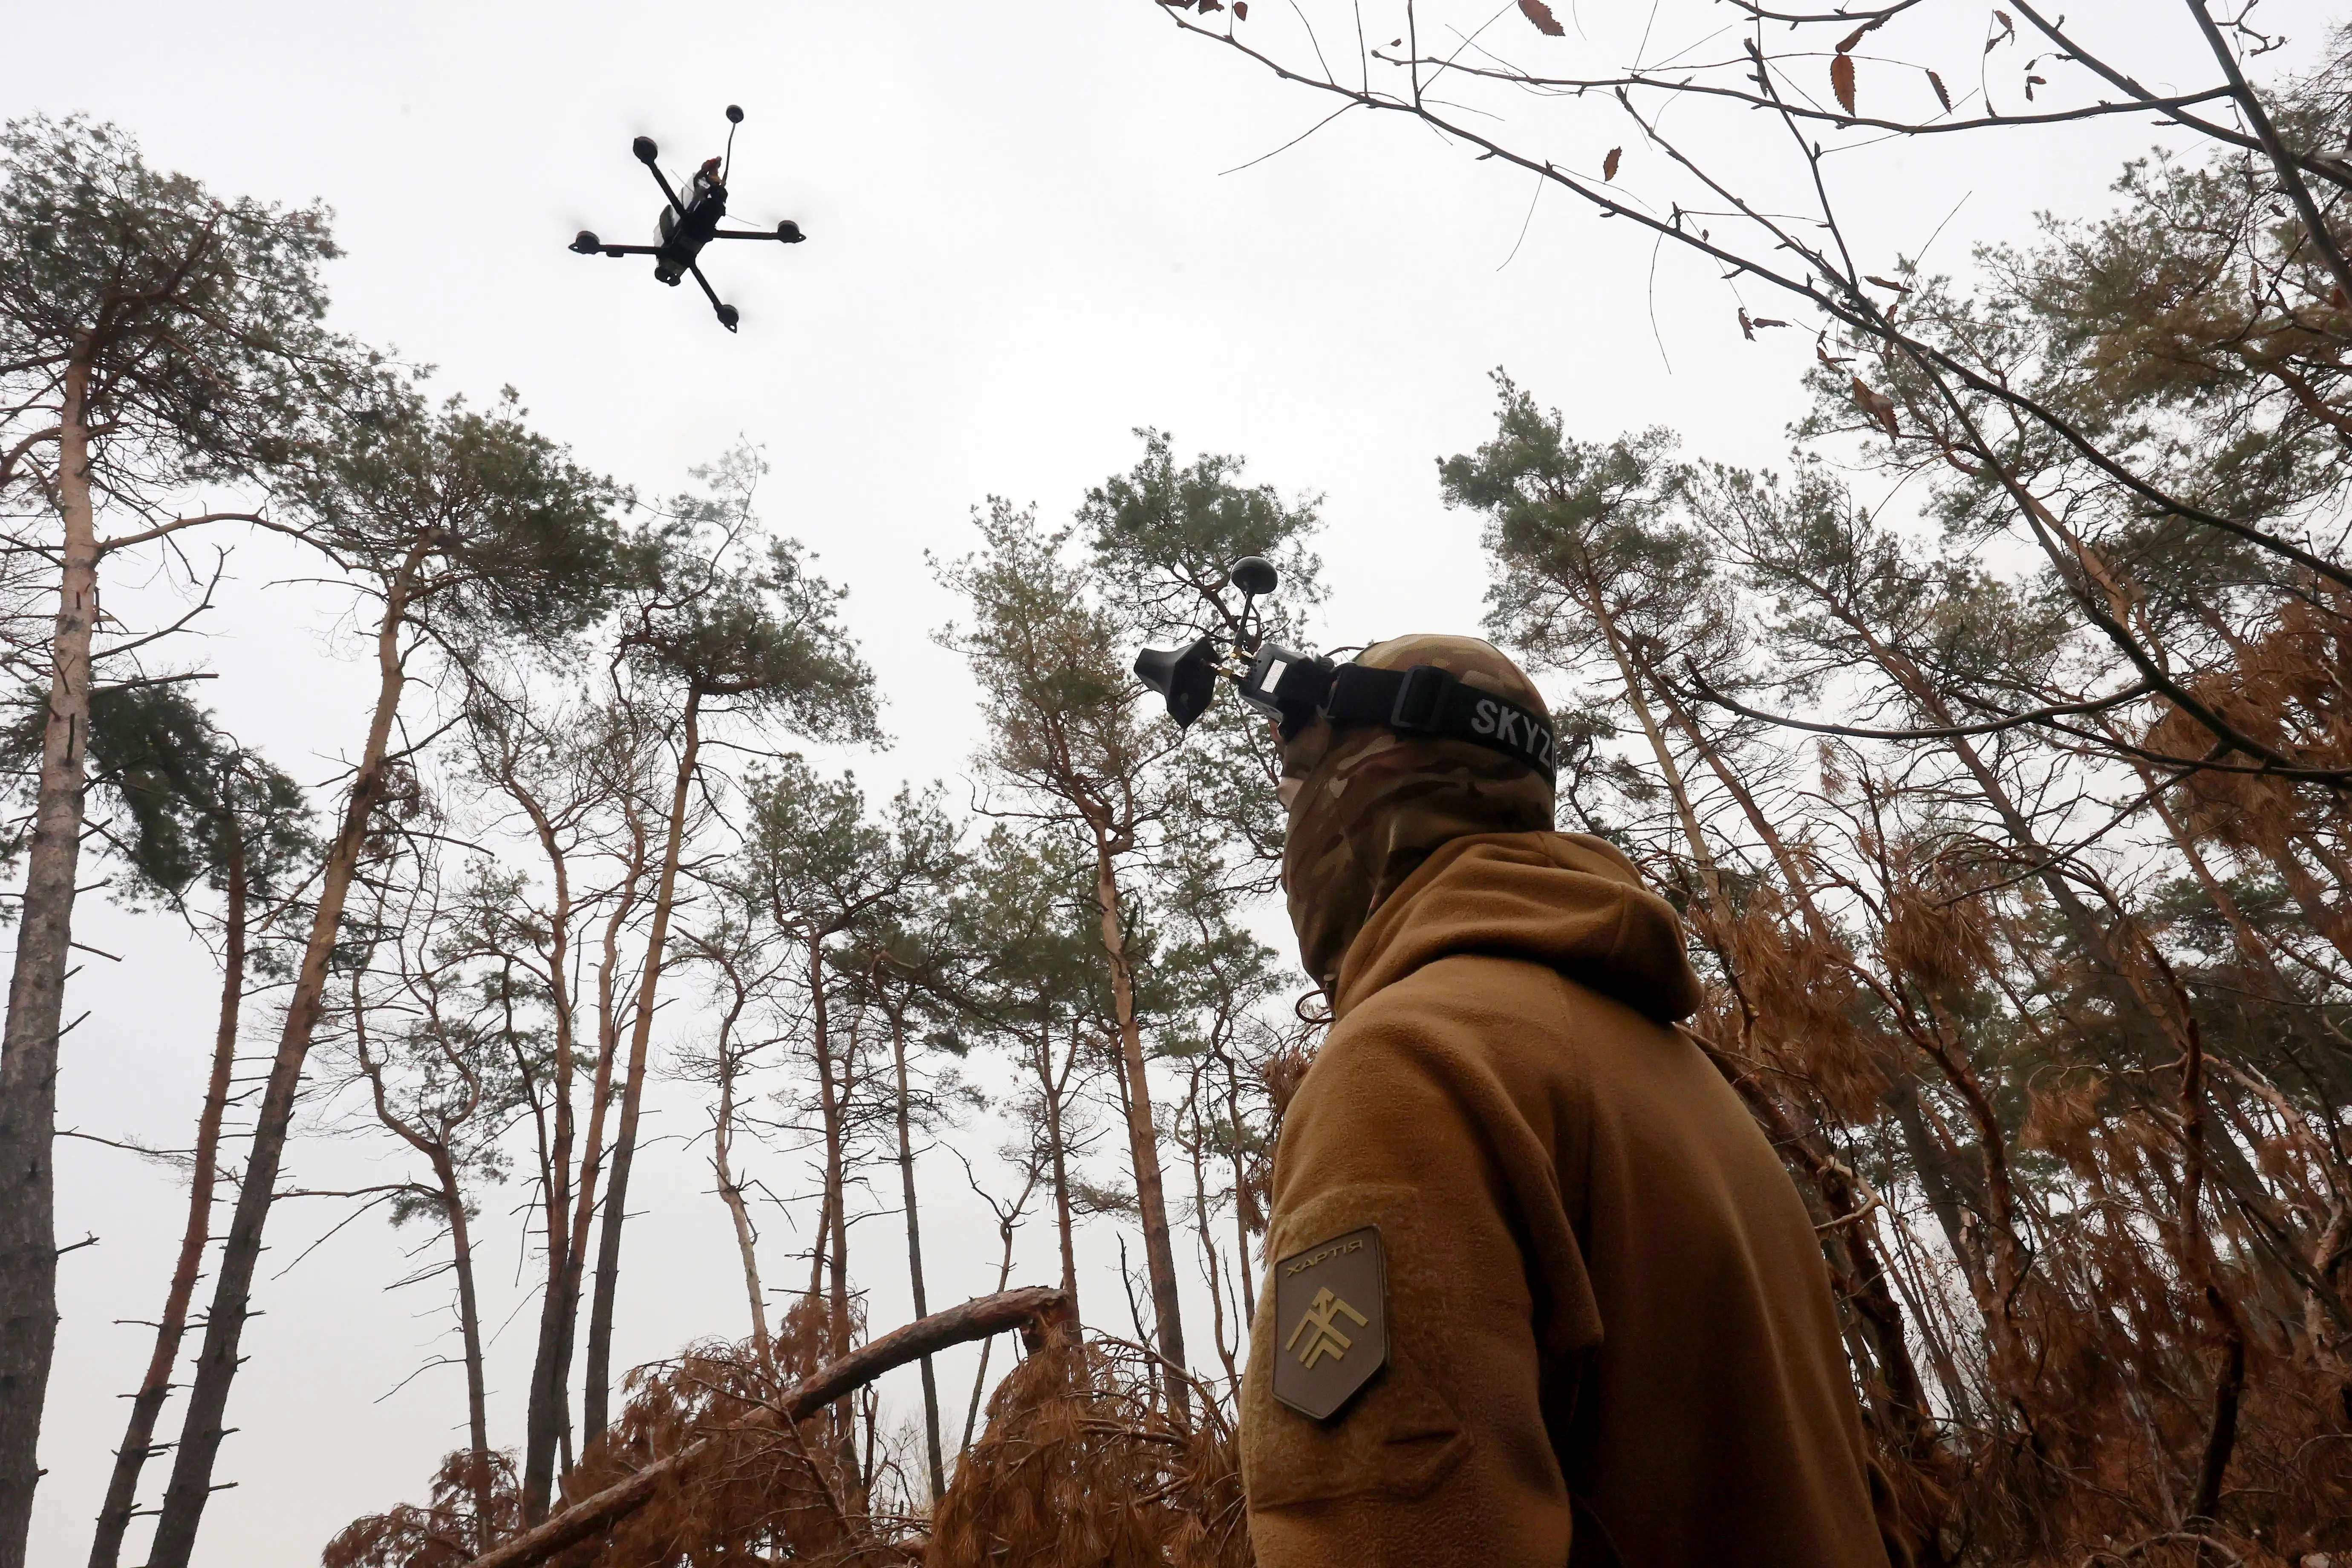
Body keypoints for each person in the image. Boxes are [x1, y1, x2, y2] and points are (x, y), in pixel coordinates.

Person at [1239, 632, 1893, 1568]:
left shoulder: (1410, 1066)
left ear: (1368, 790)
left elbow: (1383, 1528)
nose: (1292, 833)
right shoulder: (1682, 1080)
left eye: (1302, 791)